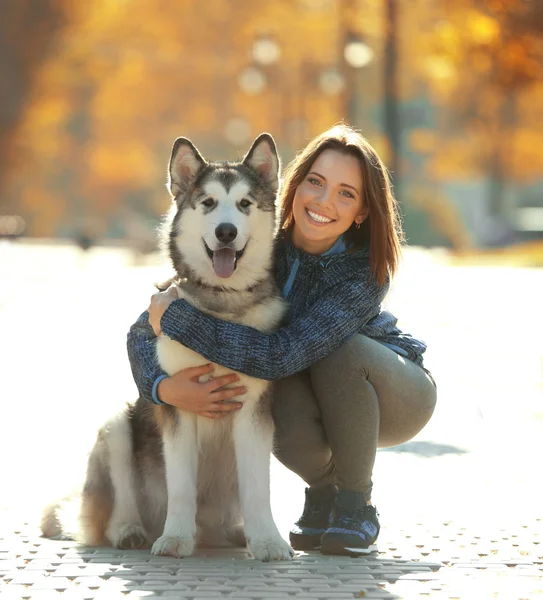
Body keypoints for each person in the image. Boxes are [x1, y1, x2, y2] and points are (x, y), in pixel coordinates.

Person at [126, 124, 437, 556]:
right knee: (275, 400)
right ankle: (324, 493)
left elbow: (279, 354)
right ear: (293, 186)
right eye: (316, 182)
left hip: (392, 391)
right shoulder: (255, 243)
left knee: (333, 355)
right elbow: (145, 329)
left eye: (346, 193)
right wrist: (163, 388)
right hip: (313, 387)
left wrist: (180, 318)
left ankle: (355, 505)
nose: (326, 201)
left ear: (363, 211)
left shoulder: (364, 272)